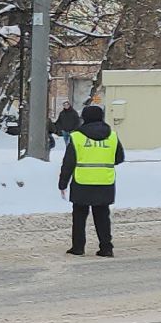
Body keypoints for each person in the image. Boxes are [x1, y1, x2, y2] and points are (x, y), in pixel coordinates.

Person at [59, 103, 126, 257]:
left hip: (82, 182)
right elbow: (120, 158)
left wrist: (63, 183)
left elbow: (68, 163)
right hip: (105, 182)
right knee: (102, 216)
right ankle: (106, 248)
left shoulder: (77, 137)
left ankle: (78, 247)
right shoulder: (112, 136)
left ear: (84, 118)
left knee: (79, 217)